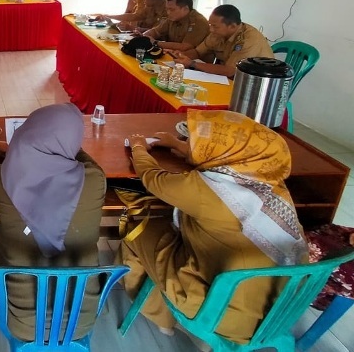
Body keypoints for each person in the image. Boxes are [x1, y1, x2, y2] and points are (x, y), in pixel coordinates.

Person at [122, 110, 308, 343]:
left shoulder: (210, 190)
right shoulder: (270, 184)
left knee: (135, 227)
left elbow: (153, 178)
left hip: (222, 312)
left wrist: (139, 147)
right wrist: (177, 145)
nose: (193, 143)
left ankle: (161, 317)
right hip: (278, 314)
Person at [0, 103, 105, 341]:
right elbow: (86, 162)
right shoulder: (95, 180)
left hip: (21, 323)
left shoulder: (6, 176)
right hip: (81, 323)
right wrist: (69, 146)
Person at [172, 4, 274, 78]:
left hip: (254, 84)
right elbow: (198, 52)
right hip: (228, 78)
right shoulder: (217, 33)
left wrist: (192, 64)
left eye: (215, 26)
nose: (211, 30)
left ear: (232, 26)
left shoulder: (249, 39)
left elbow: (230, 71)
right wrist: (181, 55)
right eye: (210, 25)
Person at [141, 0, 210, 52]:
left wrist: (156, 43)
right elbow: (156, 31)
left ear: (185, 9)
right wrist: (146, 36)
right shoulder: (172, 18)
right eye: (167, 9)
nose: (168, 12)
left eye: (172, 9)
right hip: (173, 56)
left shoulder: (198, 21)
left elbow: (185, 47)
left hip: (194, 62)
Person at [98, 0, 167, 31]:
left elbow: (157, 31)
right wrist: (109, 17)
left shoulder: (167, 11)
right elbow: (134, 16)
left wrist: (131, 28)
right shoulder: (150, 8)